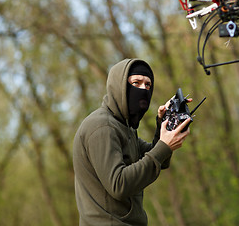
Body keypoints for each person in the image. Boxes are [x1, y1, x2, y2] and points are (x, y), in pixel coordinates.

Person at [73, 58, 191, 226]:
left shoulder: (124, 127)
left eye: (148, 85)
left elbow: (158, 159)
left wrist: (163, 126)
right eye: (136, 82)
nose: (143, 89)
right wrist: (164, 146)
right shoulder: (102, 127)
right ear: (118, 86)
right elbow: (118, 184)